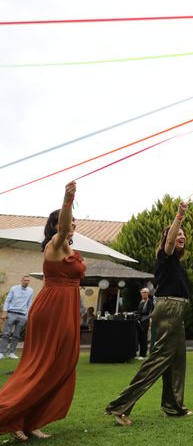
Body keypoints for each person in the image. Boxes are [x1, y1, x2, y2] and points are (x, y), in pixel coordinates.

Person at [0, 181, 86, 441]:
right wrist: (68, 199)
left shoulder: (67, 247)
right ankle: (10, 415)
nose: (73, 224)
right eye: (69, 221)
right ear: (57, 225)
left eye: (73, 221)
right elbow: (62, 227)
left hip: (67, 307)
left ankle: (32, 420)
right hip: (52, 308)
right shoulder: (55, 244)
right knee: (41, 365)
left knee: (61, 364)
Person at [105, 200, 192, 426]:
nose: (181, 236)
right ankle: (120, 407)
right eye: (177, 233)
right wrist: (179, 215)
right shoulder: (166, 255)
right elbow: (170, 240)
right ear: (167, 239)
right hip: (169, 308)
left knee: (177, 359)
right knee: (159, 358)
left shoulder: (177, 263)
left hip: (177, 310)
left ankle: (173, 406)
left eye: (183, 234)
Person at [0, 276, 33, 360]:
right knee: (6, 333)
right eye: (25, 280)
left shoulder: (30, 290)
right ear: (21, 280)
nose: (26, 282)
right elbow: (7, 300)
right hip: (11, 313)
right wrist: (5, 311)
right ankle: (1, 353)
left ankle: (11, 352)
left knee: (17, 335)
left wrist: (27, 316)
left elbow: (29, 304)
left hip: (22, 315)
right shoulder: (14, 288)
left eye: (28, 280)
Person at [136, 288, 154, 359]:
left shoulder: (150, 302)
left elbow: (147, 312)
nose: (142, 294)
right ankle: (140, 354)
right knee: (140, 337)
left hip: (145, 321)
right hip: (140, 321)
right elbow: (139, 310)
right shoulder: (141, 301)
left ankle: (143, 355)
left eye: (144, 292)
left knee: (144, 338)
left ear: (147, 293)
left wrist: (139, 313)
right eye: (141, 293)